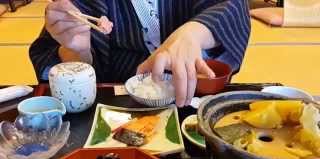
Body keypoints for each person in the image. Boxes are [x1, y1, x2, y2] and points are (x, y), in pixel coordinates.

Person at [29, 0, 251, 107]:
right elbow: (71, 67)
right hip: (122, 99)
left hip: (192, 91)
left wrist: (192, 33)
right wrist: (77, 51)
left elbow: (231, 6)